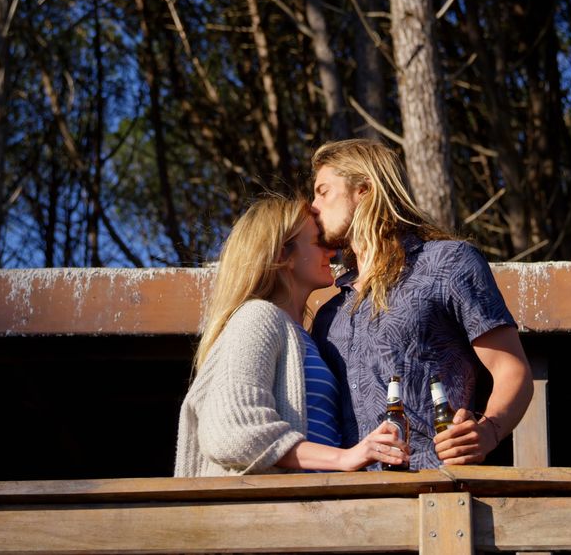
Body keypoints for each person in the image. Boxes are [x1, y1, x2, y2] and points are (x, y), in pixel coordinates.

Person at [309, 139, 534, 470]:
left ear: (364, 189)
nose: (313, 206)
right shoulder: (330, 313)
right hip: (350, 505)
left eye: (323, 191)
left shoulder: (449, 262)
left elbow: (512, 369)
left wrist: (488, 431)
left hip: (435, 490)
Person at [175, 196, 410, 477]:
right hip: (267, 516)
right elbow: (232, 430)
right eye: (318, 242)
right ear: (282, 256)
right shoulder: (258, 318)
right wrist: (345, 458)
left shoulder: (304, 337)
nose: (332, 251)